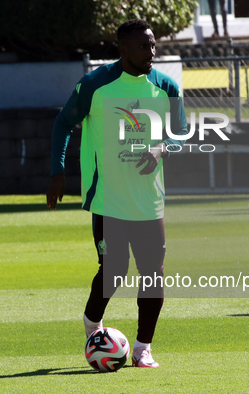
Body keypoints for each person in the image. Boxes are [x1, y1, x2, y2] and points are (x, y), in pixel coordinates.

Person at [46, 19, 187, 368]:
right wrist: (57, 171)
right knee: (114, 269)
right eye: (143, 46)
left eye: (153, 45)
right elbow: (63, 123)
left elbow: (181, 134)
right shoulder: (95, 84)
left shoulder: (166, 87)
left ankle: (143, 348)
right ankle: (93, 324)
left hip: (149, 200)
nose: (151, 52)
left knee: (153, 273)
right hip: (108, 199)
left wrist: (161, 149)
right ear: (123, 49)